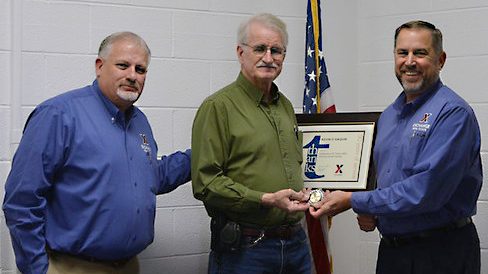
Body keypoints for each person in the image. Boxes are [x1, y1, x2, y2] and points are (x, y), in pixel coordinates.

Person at [3, 32, 191, 274]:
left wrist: (201, 156)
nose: (132, 75)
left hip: (129, 265)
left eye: (141, 69)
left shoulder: (139, 121)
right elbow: (21, 201)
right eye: (123, 65)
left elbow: (152, 177)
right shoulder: (59, 114)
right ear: (99, 66)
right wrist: (38, 269)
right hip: (73, 267)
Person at [309, 20, 482, 274]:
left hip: (441, 252)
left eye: (420, 53)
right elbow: (387, 179)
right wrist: (372, 211)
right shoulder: (389, 116)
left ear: (441, 60)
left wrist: (356, 200)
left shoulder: (453, 113)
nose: (409, 61)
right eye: (403, 53)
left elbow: (424, 192)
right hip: (392, 252)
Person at [191, 13, 311, 274]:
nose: (268, 58)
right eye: (259, 49)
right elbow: (206, 183)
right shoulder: (218, 107)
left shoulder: (286, 106)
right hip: (247, 249)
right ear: (240, 51)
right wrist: (266, 199)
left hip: (296, 245)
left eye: (276, 50)